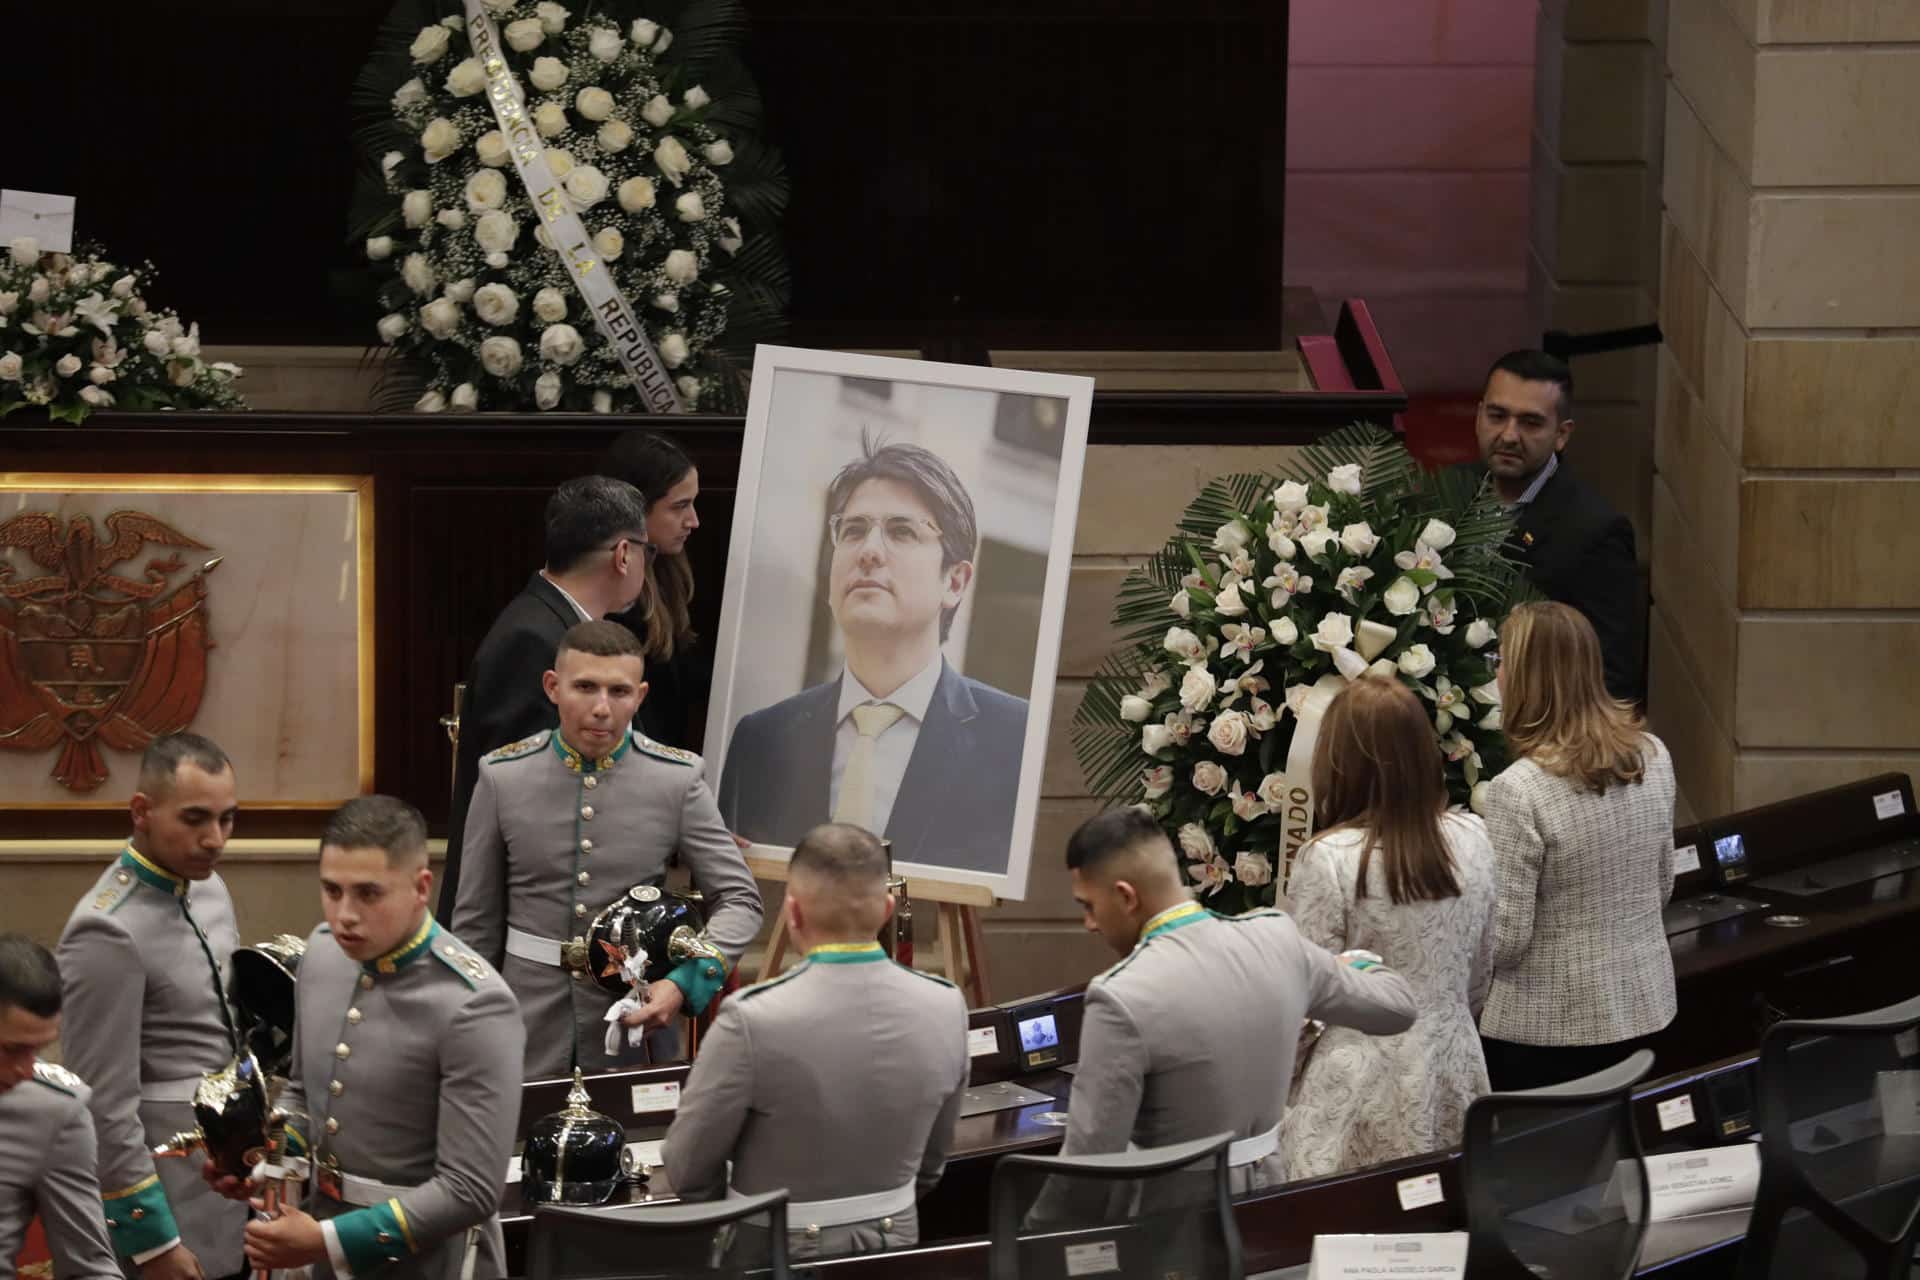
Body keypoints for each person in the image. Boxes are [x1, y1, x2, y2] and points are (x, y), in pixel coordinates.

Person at [206, 796, 522, 1280]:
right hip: (315, 1240)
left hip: (426, 1261)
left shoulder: (475, 1004)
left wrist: (329, 1241)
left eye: (368, 894)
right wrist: (259, 1157)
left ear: (421, 887)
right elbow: (302, 1095)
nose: (344, 914)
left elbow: (470, 1189)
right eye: (331, 890)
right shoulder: (322, 954)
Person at [452, 620, 763, 1078]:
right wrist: (473, 1030)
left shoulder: (675, 779)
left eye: (618, 692)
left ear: (639, 696)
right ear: (552, 687)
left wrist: (682, 984)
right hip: (523, 1027)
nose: (602, 708)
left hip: (634, 1027)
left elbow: (740, 901)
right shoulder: (503, 777)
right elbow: (475, 925)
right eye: (585, 687)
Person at [1052, 808, 1417, 1197]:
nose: (1089, 923)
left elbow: (1088, 1167)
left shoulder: (1119, 995)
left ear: (1126, 896)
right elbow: (1398, 1008)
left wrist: (1026, 1243)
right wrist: (1348, 963)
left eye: (1088, 906)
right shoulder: (1279, 941)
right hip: (1271, 1209)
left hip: (1173, 1224)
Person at [717, 440, 1028, 874]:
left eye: (902, 531)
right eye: (853, 529)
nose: (868, 551)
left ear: (955, 582)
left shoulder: (1016, 740)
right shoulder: (760, 740)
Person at [664, 824, 967, 1259]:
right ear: (886, 910)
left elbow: (688, 1167)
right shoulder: (946, 1005)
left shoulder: (752, 1017)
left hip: (772, 1250)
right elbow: (932, 1163)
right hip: (892, 1244)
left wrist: (741, 1211)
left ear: (793, 913)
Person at [1280, 677, 1496, 1180]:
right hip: (1453, 1068)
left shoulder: (1330, 858)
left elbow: (1305, 1005)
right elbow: (1482, 969)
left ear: (1337, 761)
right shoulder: (1474, 837)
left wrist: (1278, 1083)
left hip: (1357, 1084)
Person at [57, 733, 247, 1280]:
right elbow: (101, 1105)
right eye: (195, 819)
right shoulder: (104, 929)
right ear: (141, 811)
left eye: (228, 819)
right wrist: (152, 1240)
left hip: (229, 1182)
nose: (215, 839)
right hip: (170, 1200)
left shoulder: (209, 888)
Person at [1479, 602, 1677, 1091]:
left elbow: (1505, 940)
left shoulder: (1518, 789)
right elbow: (1664, 886)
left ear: (1526, 678)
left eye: (1502, 661)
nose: (1498, 674)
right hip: (1646, 1011)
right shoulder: (1653, 756)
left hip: (1545, 1035)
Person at [439, 475, 652, 919]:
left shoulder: (549, 625)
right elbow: (527, 807)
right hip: (523, 926)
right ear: (624, 554)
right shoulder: (534, 641)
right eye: (647, 552)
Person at [1468, 349, 1641, 702]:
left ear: (1562, 434)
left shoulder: (1596, 532)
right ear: (1479, 415)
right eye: (1497, 416)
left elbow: (1613, 677)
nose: (1509, 435)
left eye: (1530, 423)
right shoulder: (1448, 493)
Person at [0, 934, 120, 1280]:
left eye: (37, 1049)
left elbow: (89, 1269)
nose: (26, 1070)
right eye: (11, 1049)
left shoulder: (52, 1111)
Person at [604, 432, 710, 750]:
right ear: (636, 510)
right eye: (680, 506)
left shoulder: (668, 572)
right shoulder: (612, 598)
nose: (694, 521)